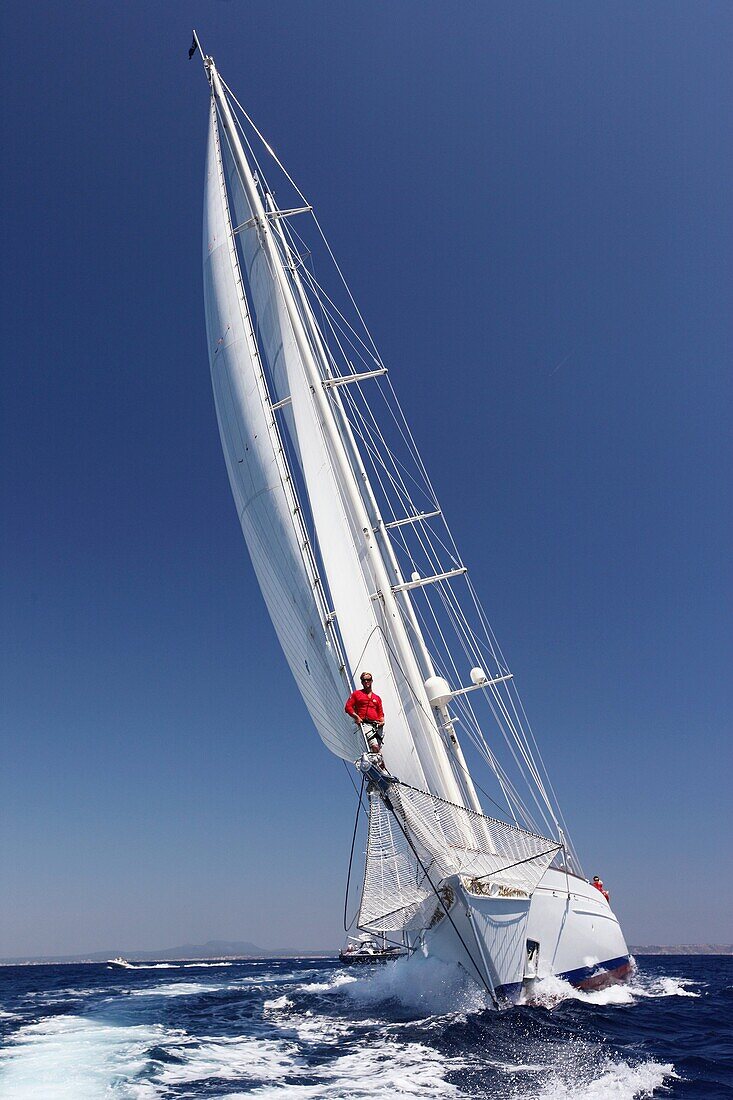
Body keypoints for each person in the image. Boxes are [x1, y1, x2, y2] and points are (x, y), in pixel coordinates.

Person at [345, 672, 385, 754]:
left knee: (378, 749)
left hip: (377, 725)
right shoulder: (357, 694)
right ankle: (378, 764)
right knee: (375, 746)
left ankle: (380, 765)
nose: (366, 682)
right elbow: (348, 707)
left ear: (371, 681)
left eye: (368, 680)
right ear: (362, 682)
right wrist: (357, 717)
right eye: (364, 680)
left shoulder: (377, 698)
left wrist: (382, 721)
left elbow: (380, 713)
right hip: (365, 724)